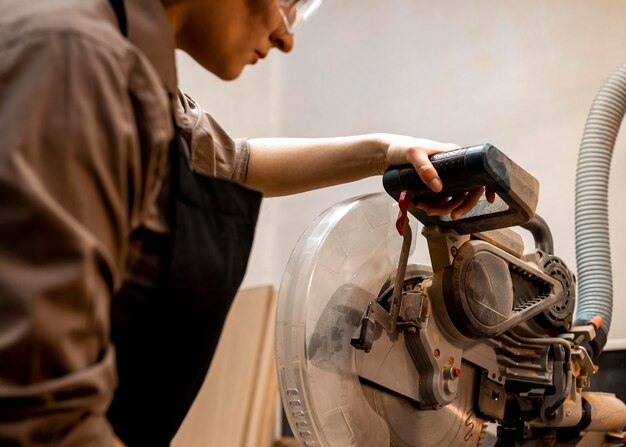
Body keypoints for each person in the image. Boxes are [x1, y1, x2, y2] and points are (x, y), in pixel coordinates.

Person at [0, 0, 486, 445]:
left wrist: (388, 151)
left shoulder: (136, 78)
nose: (285, 37)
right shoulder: (77, 64)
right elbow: (41, 409)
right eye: (287, 3)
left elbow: (237, 162)